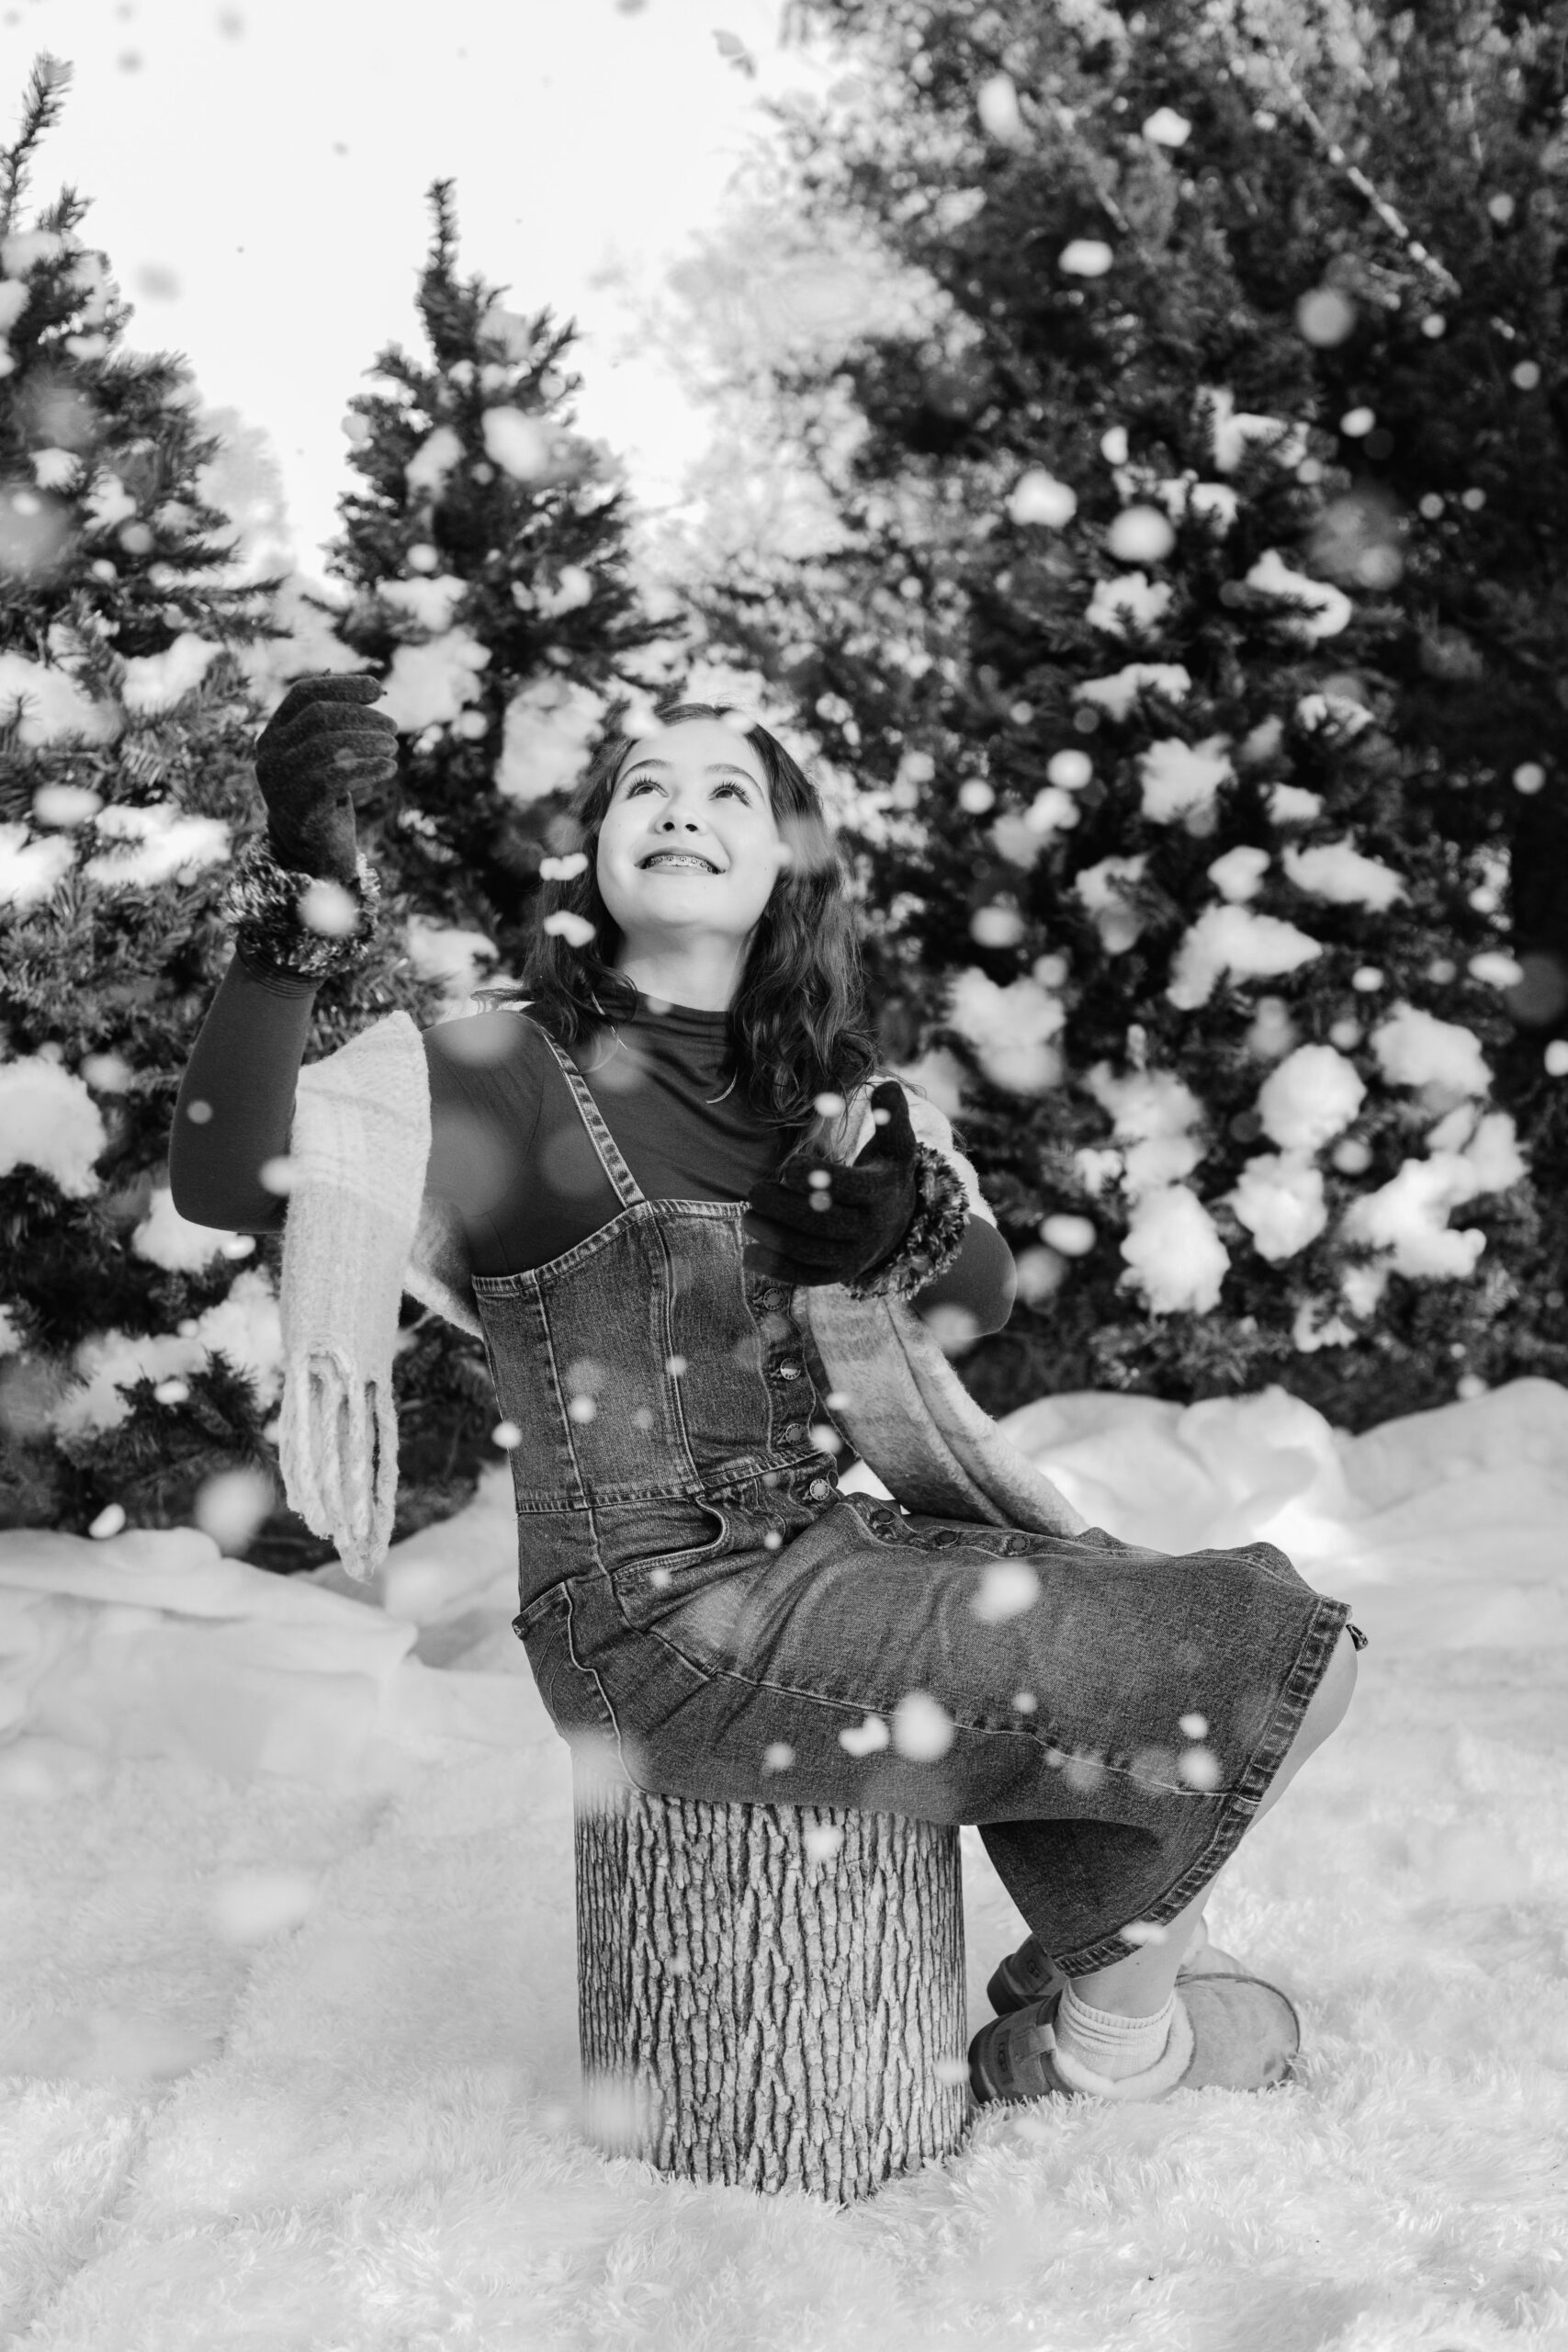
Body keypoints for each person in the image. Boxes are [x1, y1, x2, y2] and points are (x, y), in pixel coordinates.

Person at [171, 673, 1365, 2109]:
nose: (681, 807)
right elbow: (233, 1177)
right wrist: (300, 897)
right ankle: (1115, 2049)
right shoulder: (501, 1069)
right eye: (643, 788)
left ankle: (1082, 1990)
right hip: (659, 1617)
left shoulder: (832, 1101)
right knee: (1271, 1641)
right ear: (596, 857)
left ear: (788, 862)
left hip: (826, 1560)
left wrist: (897, 1226)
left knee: (1257, 1633)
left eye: (729, 788)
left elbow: (979, 1294)